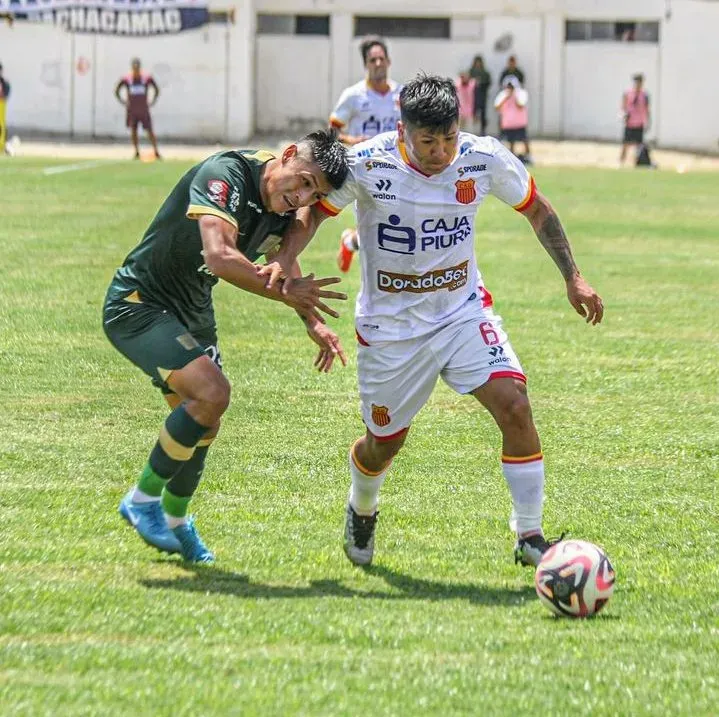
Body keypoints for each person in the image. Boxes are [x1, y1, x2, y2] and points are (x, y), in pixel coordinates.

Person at [258, 74, 604, 570]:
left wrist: (574, 277)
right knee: (384, 443)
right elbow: (314, 215)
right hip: (391, 330)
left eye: (449, 138)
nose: (441, 151)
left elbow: (538, 209)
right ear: (403, 130)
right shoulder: (367, 162)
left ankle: (530, 536)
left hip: (461, 312)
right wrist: (287, 260)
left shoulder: (482, 157)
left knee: (514, 405)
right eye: (428, 141)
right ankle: (362, 505)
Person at [103, 130, 349, 564]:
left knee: (207, 420)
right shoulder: (227, 175)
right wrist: (286, 294)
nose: (304, 197)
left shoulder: (281, 214)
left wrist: (312, 322)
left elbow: (283, 269)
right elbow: (218, 255)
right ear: (288, 155)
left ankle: (176, 521)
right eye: (305, 181)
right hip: (140, 303)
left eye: (316, 193)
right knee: (212, 393)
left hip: (192, 308)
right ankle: (143, 500)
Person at [330, 36, 402, 274]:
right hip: (365, 170)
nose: (378, 63)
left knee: (394, 227)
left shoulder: (401, 95)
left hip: (398, 169)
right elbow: (332, 132)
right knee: (378, 231)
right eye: (373, 60)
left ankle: (351, 241)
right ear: (366, 65)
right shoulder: (354, 96)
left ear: (389, 61)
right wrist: (353, 140)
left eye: (382, 58)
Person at [115, 58, 161, 160]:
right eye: (134, 67)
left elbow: (156, 88)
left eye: (137, 67)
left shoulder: (146, 78)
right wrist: (124, 102)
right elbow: (117, 90)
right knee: (134, 130)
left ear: (140, 67)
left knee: (149, 130)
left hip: (143, 110)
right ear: (132, 68)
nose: (136, 69)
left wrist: (152, 101)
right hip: (132, 110)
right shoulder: (127, 79)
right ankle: (136, 151)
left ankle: (156, 151)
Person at [494, 76, 532, 163]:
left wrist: (513, 95)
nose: (510, 88)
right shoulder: (503, 94)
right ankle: (512, 158)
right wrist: (506, 97)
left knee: (524, 140)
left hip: (520, 123)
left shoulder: (521, 93)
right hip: (508, 123)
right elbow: (496, 107)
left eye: (511, 86)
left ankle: (529, 156)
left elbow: (520, 105)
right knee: (511, 142)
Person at [619, 73, 650, 166]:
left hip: (639, 123)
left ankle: (635, 163)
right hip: (629, 123)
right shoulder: (627, 93)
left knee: (638, 146)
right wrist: (623, 115)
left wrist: (647, 122)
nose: (638, 84)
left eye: (640, 82)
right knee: (625, 144)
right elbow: (623, 107)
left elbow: (647, 110)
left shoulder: (645, 95)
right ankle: (621, 163)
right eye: (636, 82)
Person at [469, 55, 491, 135]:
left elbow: (489, 82)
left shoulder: (485, 73)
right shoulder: (471, 71)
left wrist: (481, 83)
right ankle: (472, 130)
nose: (478, 64)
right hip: (473, 96)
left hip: (482, 95)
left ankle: (483, 131)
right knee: (472, 113)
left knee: (483, 114)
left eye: (479, 62)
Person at [0, 62, 10, 155]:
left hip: (1, 106)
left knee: (2, 126)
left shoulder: (4, 82)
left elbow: (6, 93)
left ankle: (2, 145)